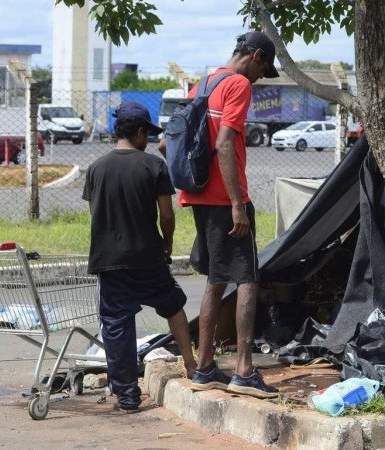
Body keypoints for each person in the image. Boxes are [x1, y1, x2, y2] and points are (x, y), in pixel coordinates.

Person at [160, 31, 280, 399]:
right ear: (255, 56)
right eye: (263, 68)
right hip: (224, 200)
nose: (261, 77)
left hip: (196, 197)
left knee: (215, 279)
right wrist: (236, 204)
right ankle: (244, 370)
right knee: (247, 279)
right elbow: (225, 143)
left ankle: (206, 367)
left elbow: (167, 142)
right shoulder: (238, 85)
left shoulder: (205, 83)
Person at [83, 101, 197, 413]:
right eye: (147, 134)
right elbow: (166, 215)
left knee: (117, 325)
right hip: (148, 257)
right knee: (173, 305)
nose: (147, 140)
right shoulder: (153, 166)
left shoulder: (95, 169)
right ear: (139, 131)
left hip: (109, 260)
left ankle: (127, 397)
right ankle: (190, 363)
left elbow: (96, 217)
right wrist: (168, 243)